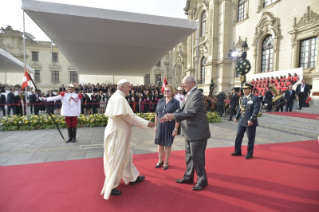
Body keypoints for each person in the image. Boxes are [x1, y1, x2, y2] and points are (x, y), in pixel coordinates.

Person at [101, 79, 156, 199]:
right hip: (117, 133)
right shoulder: (119, 98)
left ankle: (132, 177)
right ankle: (111, 186)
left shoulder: (118, 97)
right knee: (116, 158)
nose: (130, 89)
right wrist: (147, 123)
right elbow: (130, 117)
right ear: (121, 87)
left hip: (120, 132)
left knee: (126, 155)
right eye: (128, 87)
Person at [160, 75, 210, 191]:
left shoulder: (197, 94)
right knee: (189, 156)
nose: (182, 86)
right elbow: (181, 110)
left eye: (184, 84)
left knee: (197, 157)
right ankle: (188, 176)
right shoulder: (188, 95)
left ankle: (202, 180)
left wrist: (174, 116)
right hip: (189, 131)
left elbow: (192, 112)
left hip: (197, 132)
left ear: (191, 83)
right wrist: (170, 116)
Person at [154, 85, 180, 170]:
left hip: (169, 126)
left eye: (168, 91)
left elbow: (178, 117)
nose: (166, 92)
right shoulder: (160, 101)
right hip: (160, 126)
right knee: (160, 144)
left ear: (172, 92)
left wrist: (176, 129)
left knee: (168, 144)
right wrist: (155, 125)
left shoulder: (175, 102)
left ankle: (166, 162)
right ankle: (160, 160)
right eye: (165, 91)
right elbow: (156, 114)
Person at [231, 83, 260, 159]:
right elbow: (240, 109)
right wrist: (236, 117)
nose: (244, 90)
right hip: (242, 121)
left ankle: (249, 153)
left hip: (250, 122)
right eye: (243, 89)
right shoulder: (242, 98)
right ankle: (237, 151)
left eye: (246, 89)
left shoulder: (255, 98)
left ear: (250, 89)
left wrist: (251, 119)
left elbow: (256, 110)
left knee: (250, 138)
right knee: (238, 137)